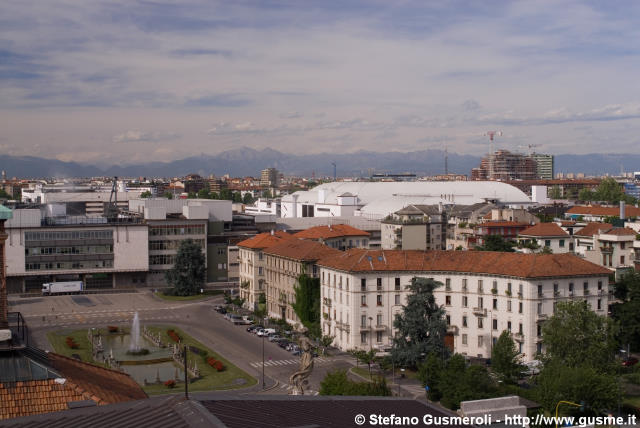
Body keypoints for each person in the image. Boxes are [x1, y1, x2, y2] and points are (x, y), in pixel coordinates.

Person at [289, 328, 314, 395]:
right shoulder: (306, 339)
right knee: (308, 368)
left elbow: (300, 345)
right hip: (308, 354)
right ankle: (297, 377)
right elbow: (314, 345)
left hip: (304, 355)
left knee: (303, 367)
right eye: (307, 332)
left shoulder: (300, 339)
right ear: (306, 333)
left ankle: (298, 378)